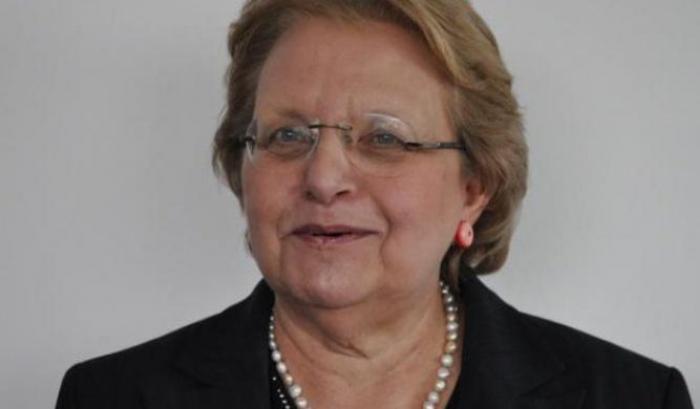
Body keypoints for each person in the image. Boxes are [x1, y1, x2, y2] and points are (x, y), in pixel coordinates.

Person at [56, 0, 694, 408]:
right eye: (288, 136)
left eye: (384, 139)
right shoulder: (112, 397)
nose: (324, 178)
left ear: (474, 188)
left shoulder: (632, 398)